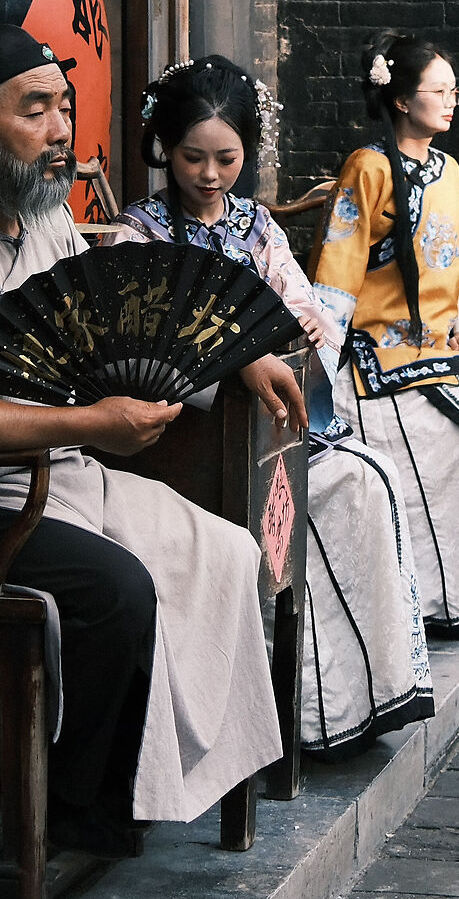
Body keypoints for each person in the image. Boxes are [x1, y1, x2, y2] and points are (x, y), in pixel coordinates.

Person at [0, 25, 297, 857]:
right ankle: (66, 811)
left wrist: (236, 362)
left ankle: (141, 787)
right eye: (36, 111)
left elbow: (107, 339)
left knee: (225, 551)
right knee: (115, 589)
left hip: (50, 479)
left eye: (65, 107)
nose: (62, 131)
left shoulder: (43, 224)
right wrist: (92, 426)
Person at [112, 56, 434, 751]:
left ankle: (348, 704)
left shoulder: (258, 227)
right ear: (163, 147)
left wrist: (309, 321)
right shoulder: (137, 232)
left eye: (226, 158)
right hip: (189, 440)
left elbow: (297, 306)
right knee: (345, 488)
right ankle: (301, 717)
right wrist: (239, 352)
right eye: (192, 157)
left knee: (369, 481)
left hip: (267, 428)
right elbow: (146, 341)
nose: (208, 174)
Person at [312, 35, 459, 639]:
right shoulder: (366, 169)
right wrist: (321, 359)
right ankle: (439, 604)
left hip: (440, 348)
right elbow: (339, 266)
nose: (452, 102)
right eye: (439, 91)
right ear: (399, 100)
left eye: (455, 91)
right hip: (377, 355)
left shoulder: (448, 171)